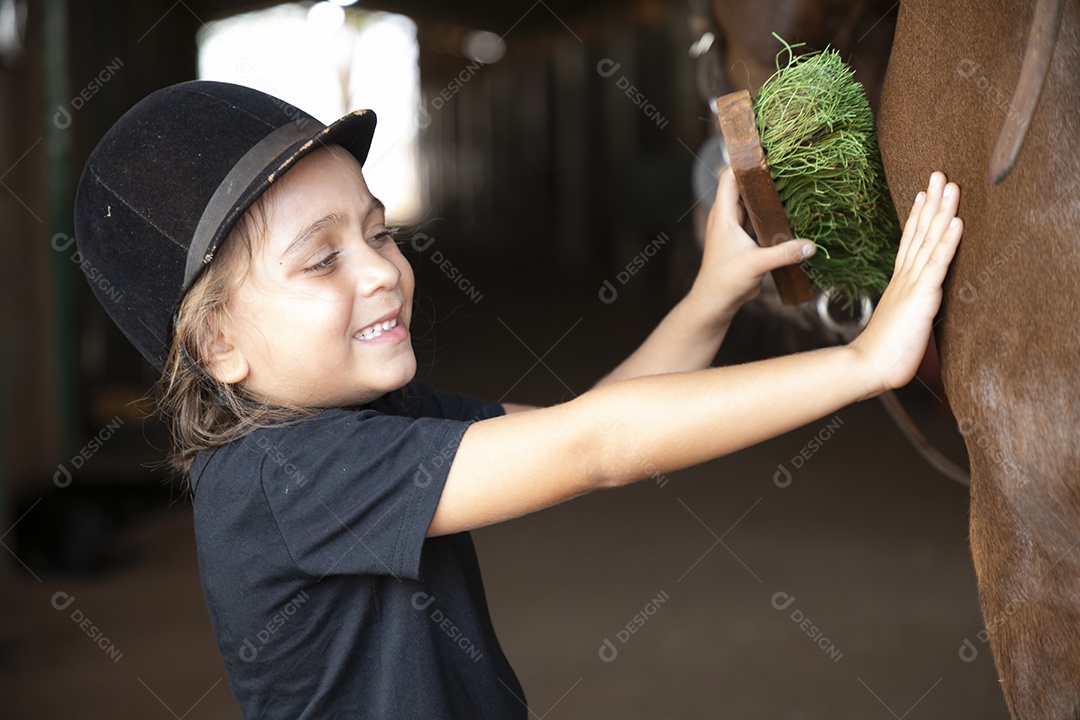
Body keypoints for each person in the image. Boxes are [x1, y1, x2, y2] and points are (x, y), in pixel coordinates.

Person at [74, 81, 963, 719]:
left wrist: (710, 296)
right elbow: (595, 447)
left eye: (379, 231)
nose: (383, 270)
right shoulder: (285, 480)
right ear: (218, 344)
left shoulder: (368, 423)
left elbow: (588, 427)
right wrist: (865, 365)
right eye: (322, 259)